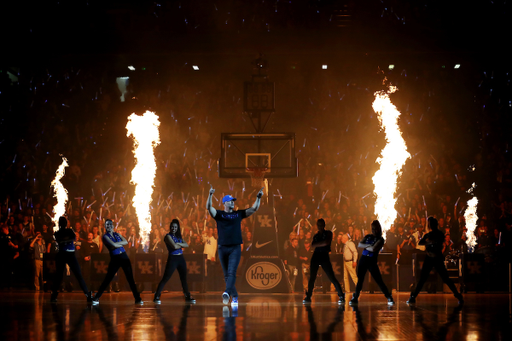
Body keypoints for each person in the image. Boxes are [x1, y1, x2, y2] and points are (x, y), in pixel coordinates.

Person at [207, 184, 263, 307]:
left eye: (233, 201)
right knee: (226, 275)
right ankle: (235, 296)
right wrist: (210, 195)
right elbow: (209, 207)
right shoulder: (219, 214)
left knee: (232, 272)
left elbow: (253, 209)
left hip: (235, 248)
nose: (233, 203)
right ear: (225, 203)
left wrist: (258, 198)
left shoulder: (238, 214)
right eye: (230, 201)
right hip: (222, 248)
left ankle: (227, 293)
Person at [407, 217, 464, 305]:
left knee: (444, 278)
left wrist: (429, 241)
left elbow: (438, 241)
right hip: (430, 258)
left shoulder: (438, 234)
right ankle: (413, 296)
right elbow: (421, 242)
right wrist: (429, 240)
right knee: (423, 279)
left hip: (436, 258)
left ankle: (458, 295)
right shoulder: (429, 235)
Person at [92, 219, 143, 305]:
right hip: (115, 258)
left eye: (110, 225)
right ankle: (97, 297)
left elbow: (125, 241)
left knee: (130, 278)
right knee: (108, 278)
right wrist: (119, 243)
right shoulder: (105, 237)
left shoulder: (117, 234)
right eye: (107, 225)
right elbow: (114, 245)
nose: (109, 227)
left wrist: (118, 243)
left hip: (123, 256)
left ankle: (137, 298)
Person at [349, 220, 394, 306]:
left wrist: (367, 246)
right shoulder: (368, 236)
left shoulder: (381, 239)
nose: (374, 231)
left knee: (379, 280)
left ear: (378, 229)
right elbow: (360, 245)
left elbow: (373, 249)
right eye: (372, 229)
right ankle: (355, 297)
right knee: (360, 280)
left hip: (372, 261)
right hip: (363, 259)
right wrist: (369, 246)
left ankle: (388, 297)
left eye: (375, 229)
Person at [50, 217, 93, 303]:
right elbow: (72, 238)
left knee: (59, 276)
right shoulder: (69, 231)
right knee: (77, 275)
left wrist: (63, 240)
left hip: (63, 254)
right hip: (69, 254)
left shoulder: (58, 233)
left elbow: (60, 238)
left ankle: (54, 295)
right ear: (66, 224)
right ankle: (87, 295)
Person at [303, 218, 345, 304]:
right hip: (316, 256)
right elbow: (313, 245)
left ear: (324, 225)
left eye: (321, 225)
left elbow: (325, 242)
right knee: (312, 277)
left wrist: (319, 243)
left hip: (324, 256)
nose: (320, 227)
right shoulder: (316, 235)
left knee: (331, 277)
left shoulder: (329, 233)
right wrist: (322, 243)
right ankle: (308, 296)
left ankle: (341, 295)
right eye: (318, 225)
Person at [154, 219, 196, 304]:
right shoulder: (167, 236)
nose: (174, 228)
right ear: (170, 227)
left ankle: (187, 296)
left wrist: (179, 244)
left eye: (175, 227)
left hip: (181, 258)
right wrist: (180, 244)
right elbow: (174, 246)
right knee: (166, 278)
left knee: (183, 278)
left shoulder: (178, 236)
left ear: (178, 228)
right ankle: (157, 295)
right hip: (173, 258)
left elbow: (186, 244)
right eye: (172, 227)